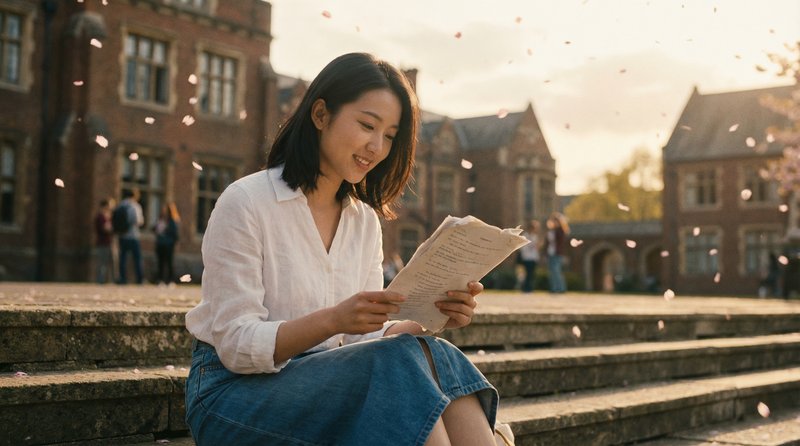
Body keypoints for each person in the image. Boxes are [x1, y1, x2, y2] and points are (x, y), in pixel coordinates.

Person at [184, 53, 498, 446]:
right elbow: (235, 345)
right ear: (320, 115)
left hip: (330, 383)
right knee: (400, 368)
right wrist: (333, 319)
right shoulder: (246, 201)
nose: (376, 147)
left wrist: (430, 316)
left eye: (389, 135)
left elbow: (362, 344)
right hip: (233, 396)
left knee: (432, 349)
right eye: (367, 125)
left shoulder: (363, 221)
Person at [117, 188, 144, 284]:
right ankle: (139, 279)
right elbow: (137, 221)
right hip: (133, 235)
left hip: (122, 235)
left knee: (122, 258)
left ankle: (122, 278)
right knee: (137, 258)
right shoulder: (135, 206)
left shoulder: (121, 205)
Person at [154, 202, 180, 284]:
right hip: (160, 244)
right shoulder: (160, 219)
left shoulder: (172, 221)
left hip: (168, 245)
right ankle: (160, 280)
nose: (163, 210)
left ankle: (171, 280)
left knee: (169, 263)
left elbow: (175, 234)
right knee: (160, 263)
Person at [545, 212, 569, 293]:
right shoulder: (551, 230)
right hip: (550, 253)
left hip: (557, 253)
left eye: (556, 221)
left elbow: (560, 243)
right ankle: (554, 288)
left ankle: (561, 288)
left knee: (556, 270)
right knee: (551, 271)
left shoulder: (561, 230)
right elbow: (547, 242)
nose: (554, 222)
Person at [94, 198, 116, 283]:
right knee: (102, 263)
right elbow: (104, 229)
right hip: (102, 243)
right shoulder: (100, 217)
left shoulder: (109, 217)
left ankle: (111, 281)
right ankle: (100, 280)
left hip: (109, 242)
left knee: (112, 262)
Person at [518, 220, 541, 293]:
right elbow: (522, 247)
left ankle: (530, 288)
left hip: (533, 258)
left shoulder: (535, 236)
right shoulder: (525, 236)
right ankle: (525, 288)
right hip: (526, 258)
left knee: (531, 274)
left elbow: (536, 248)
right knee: (526, 273)